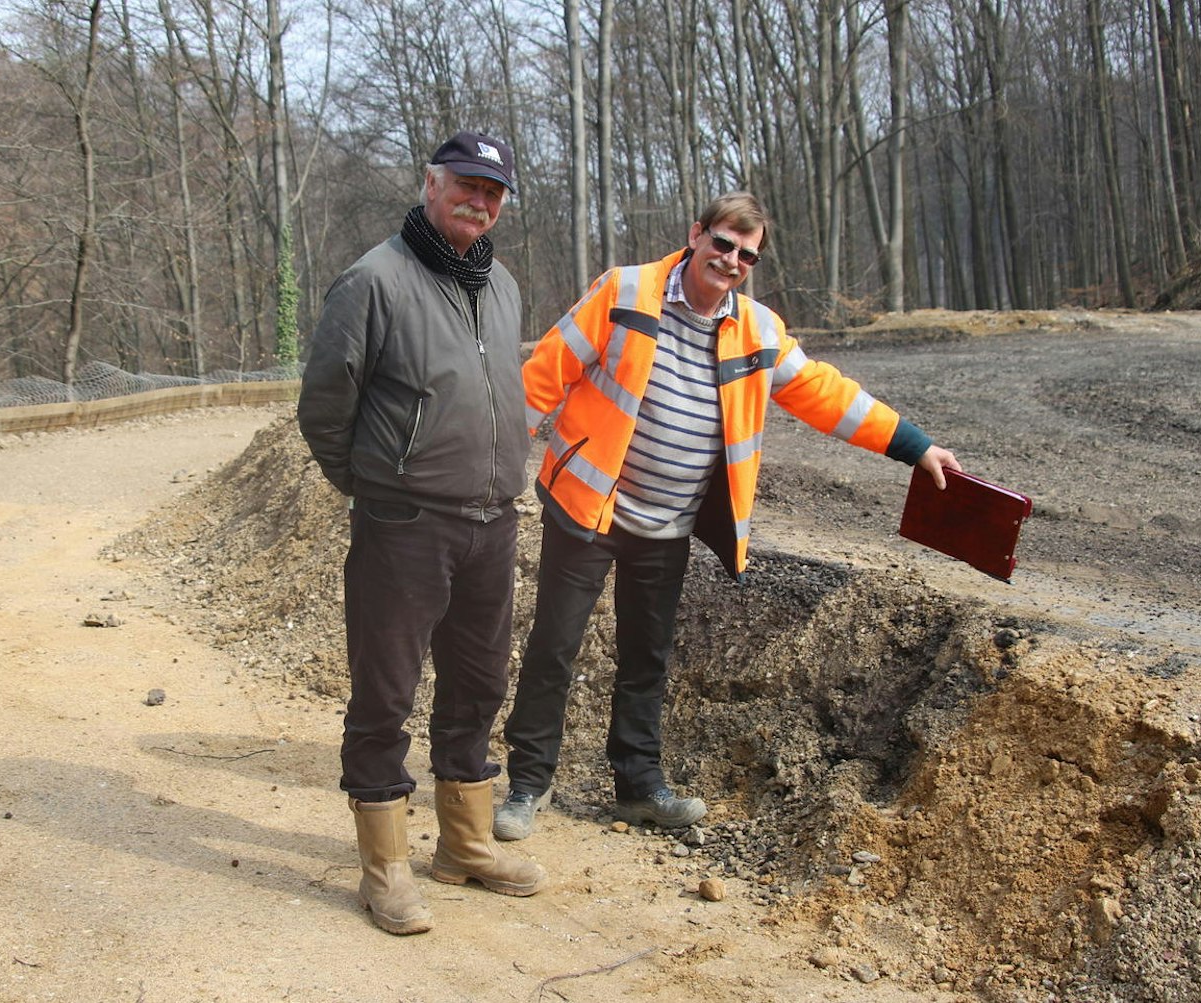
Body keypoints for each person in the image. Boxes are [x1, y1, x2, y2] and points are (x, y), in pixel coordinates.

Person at [496, 191, 960, 840]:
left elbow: (827, 394)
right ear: (696, 234)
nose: (733, 259)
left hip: (668, 522)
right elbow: (543, 376)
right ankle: (527, 782)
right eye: (723, 243)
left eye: (748, 253)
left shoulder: (760, 331)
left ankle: (638, 787)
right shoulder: (623, 291)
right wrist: (495, 463)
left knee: (647, 657)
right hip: (588, 506)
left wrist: (911, 445)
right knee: (554, 644)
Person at [296, 131, 546, 935]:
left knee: (477, 686)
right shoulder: (373, 281)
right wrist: (377, 488)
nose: (481, 201)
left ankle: (465, 844)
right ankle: (386, 869)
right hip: (404, 524)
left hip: (492, 521)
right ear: (431, 184)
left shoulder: (501, 283)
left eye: (495, 191)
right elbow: (325, 407)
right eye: (467, 185)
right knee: (385, 693)